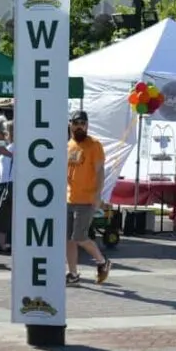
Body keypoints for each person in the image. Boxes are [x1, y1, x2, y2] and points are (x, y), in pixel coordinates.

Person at [65, 110, 111, 285]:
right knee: (69, 239)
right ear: (71, 124)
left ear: (87, 125)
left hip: (87, 199)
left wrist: (98, 195)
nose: (79, 126)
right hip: (69, 198)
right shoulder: (69, 144)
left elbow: (100, 171)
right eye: (76, 123)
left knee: (79, 236)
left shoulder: (94, 145)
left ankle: (102, 261)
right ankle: (73, 273)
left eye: (82, 123)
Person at [0, 120, 14, 253]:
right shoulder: (11, 145)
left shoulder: (15, 146)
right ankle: (2, 241)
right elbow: (0, 164)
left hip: (13, 182)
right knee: (3, 211)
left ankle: (3, 241)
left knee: (4, 211)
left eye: (7, 130)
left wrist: (6, 154)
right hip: (8, 181)